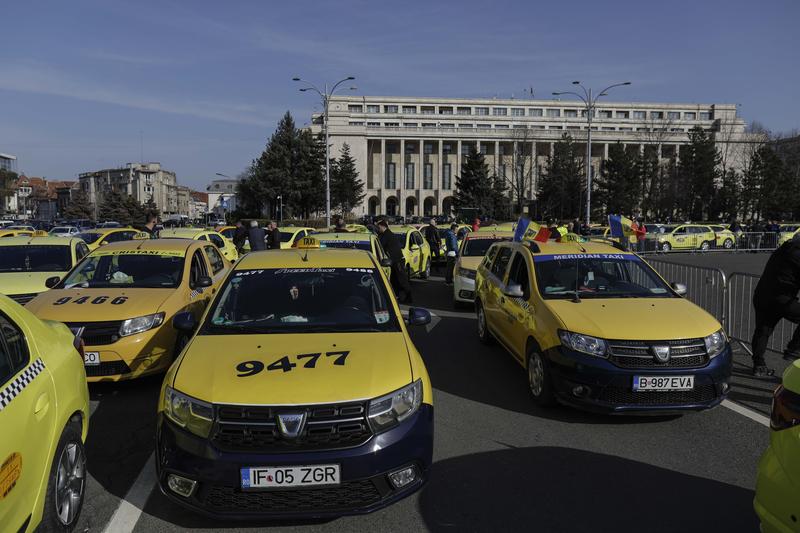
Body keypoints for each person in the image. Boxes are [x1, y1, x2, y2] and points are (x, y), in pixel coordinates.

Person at [750, 236, 800, 377]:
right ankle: (794, 349)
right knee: (763, 330)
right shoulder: (796, 254)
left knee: (762, 331)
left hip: (762, 295)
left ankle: (759, 365)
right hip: (780, 298)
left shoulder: (783, 249)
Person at [376, 220, 413, 303]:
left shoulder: (387, 235)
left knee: (402, 280)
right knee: (395, 280)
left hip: (397, 260)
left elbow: (381, 245)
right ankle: (398, 296)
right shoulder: (385, 234)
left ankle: (408, 296)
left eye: (378, 227)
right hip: (394, 260)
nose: (378, 229)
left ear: (383, 226)